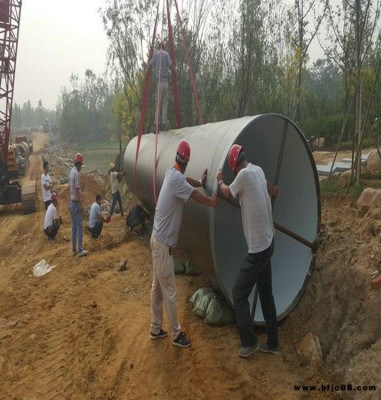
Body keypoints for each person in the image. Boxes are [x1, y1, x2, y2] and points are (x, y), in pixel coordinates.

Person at [150, 139, 217, 348]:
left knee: (157, 289)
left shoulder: (172, 173)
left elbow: (186, 181)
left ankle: (155, 328)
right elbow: (196, 196)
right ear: (186, 160)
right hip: (162, 246)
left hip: (156, 240)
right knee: (169, 290)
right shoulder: (176, 179)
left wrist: (199, 180)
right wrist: (212, 202)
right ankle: (177, 334)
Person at [216, 144, 279, 358]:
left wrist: (219, 181)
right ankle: (272, 343)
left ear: (234, 167)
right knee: (266, 294)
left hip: (258, 250)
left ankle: (249, 342)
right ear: (244, 157)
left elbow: (227, 193)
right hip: (269, 243)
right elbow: (268, 191)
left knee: (238, 294)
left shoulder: (242, 176)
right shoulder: (258, 169)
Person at [146, 41, 176, 131]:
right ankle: (164, 123)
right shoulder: (166, 54)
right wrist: (176, 73)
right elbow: (171, 66)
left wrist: (146, 74)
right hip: (165, 82)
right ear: (164, 47)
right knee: (164, 103)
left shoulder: (156, 55)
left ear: (159, 47)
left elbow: (150, 66)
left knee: (158, 103)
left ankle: (156, 124)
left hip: (159, 82)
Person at [69, 153, 88, 257]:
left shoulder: (71, 172)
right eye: (81, 164)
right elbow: (77, 191)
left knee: (74, 228)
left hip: (71, 204)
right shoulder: (76, 174)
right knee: (79, 227)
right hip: (75, 204)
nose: (81, 167)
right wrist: (81, 205)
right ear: (79, 164)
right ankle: (80, 250)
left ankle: (74, 249)